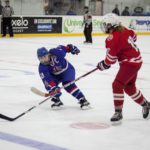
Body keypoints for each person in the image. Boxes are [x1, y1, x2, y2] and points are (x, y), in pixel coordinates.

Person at [97, 13, 150, 123]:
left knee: (117, 85)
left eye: (106, 25)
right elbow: (134, 36)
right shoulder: (125, 30)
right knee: (129, 87)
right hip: (136, 61)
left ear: (111, 25)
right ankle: (146, 104)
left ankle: (118, 112)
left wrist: (103, 64)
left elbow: (110, 60)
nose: (104, 27)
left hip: (129, 63)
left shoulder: (112, 38)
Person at [37, 44, 90, 109]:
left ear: (49, 54)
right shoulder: (42, 68)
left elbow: (63, 48)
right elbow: (47, 80)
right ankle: (57, 99)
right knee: (49, 86)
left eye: (45, 57)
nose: (44, 60)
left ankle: (82, 99)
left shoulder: (55, 52)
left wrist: (70, 48)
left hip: (67, 70)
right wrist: (54, 88)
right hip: (55, 75)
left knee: (67, 84)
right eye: (41, 59)